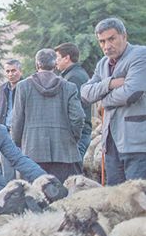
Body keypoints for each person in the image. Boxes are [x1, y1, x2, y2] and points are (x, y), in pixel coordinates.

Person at [81, 17, 146, 184]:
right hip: (111, 145)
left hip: (137, 144)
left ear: (124, 36)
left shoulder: (140, 55)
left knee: (138, 200)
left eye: (111, 39)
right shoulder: (103, 64)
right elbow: (86, 93)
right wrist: (110, 83)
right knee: (115, 201)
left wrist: (104, 100)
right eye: (102, 41)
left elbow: (131, 93)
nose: (106, 46)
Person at [12, 49, 84, 183]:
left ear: (36, 64)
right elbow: (78, 117)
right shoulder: (69, 87)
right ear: (55, 64)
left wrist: (18, 143)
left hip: (32, 152)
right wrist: (73, 137)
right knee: (63, 199)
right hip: (64, 153)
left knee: (34, 198)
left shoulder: (23, 87)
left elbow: (17, 120)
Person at [55, 43, 92, 159]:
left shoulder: (73, 78)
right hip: (77, 134)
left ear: (67, 58)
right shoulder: (71, 75)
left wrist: (74, 136)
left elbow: (76, 111)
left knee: (74, 172)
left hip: (77, 135)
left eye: (58, 58)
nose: (55, 61)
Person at [0, 59, 23, 180]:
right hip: (5, 131)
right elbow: (1, 109)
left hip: (21, 132)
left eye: (13, 71)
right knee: (6, 168)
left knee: (22, 166)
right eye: (8, 71)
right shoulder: (2, 88)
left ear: (20, 71)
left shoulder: (26, 86)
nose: (10, 74)